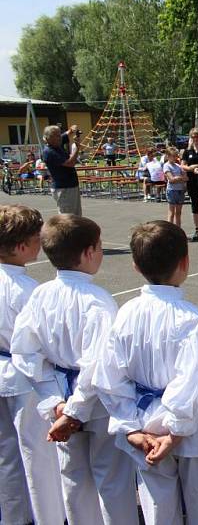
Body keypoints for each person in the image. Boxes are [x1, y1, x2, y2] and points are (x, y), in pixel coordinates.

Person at [93, 221, 198, 525]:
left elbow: (109, 377)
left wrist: (130, 426)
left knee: (157, 503)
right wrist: (176, 431)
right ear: (185, 263)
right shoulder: (192, 320)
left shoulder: (125, 312)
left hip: (144, 425)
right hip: (188, 429)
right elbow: (194, 379)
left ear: (135, 266)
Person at [10, 214, 137, 525]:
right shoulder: (97, 302)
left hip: (62, 400)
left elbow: (25, 352)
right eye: (100, 247)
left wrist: (55, 401)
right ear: (88, 253)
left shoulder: (41, 294)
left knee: (73, 478)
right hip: (94, 403)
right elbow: (99, 364)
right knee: (111, 480)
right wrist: (72, 411)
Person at [0, 205, 65, 525]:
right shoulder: (27, 291)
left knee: (6, 455)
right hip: (23, 376)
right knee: (37, 456)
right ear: (22, 246)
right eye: (36, 239)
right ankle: (48, 517)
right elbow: (42, 343)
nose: (41, 244)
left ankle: (12, 515)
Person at [42, 125, 82, 215]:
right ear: (48, 138)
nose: (60, 137)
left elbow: (67, 134)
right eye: (56, 135)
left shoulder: (56, 143)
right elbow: (70, 163)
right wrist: (77, 148)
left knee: (76, 215)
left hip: (70, 185)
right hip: (63, 188)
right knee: (68, 217)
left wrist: (73, 129)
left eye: (59, 134)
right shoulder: (49, 152)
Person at [163, 147, 187, 228]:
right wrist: (180, 178)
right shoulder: (166, 166)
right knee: (171, 213)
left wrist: (179, 178)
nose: (175, 158)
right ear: (168, 156)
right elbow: (171, 179)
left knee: (178, 213)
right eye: (173, 156)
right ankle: (169, 231)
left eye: (175, 156)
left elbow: (186, 178)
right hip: (172, 191)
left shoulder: (178, 166)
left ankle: (178, 231)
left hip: (180, 190)